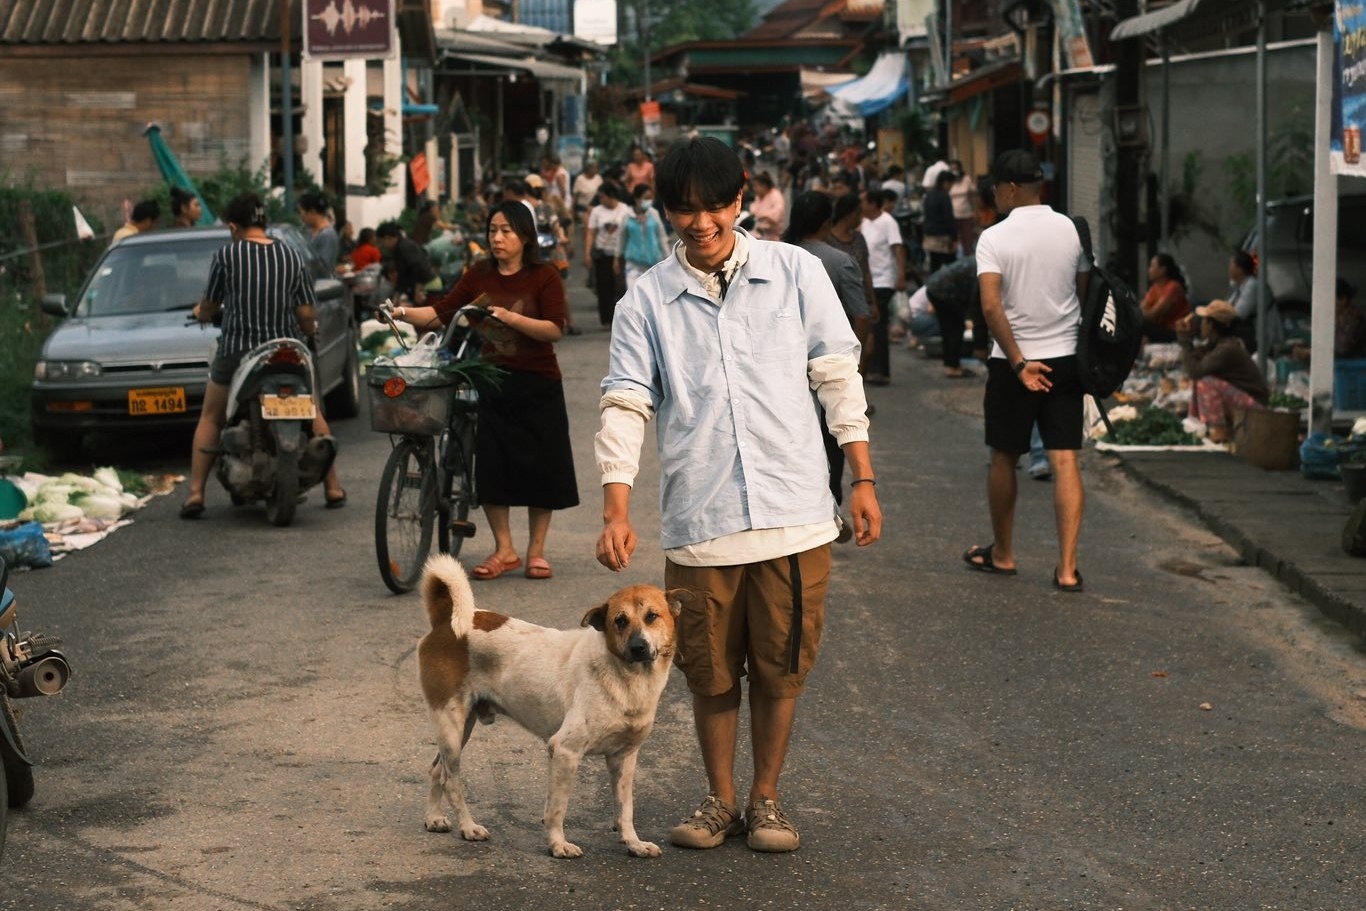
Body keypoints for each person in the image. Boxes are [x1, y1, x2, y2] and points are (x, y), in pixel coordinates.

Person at [595, 137, 882, 855]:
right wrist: (616, 505)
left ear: (741, 197)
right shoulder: (646, 301)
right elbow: (627, 400)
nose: (700, 222)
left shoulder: (795, 273)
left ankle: (766, 799)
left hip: (795, 514)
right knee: (708, 669)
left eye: (714, 205)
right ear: (665, 210)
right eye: (683, 209)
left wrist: (863, 474)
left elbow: (837, 372)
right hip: (703, 516)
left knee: (782, 669)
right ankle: (720, 798)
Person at [388, 200, 578, 581]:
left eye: (506, 231)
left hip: (538, 383)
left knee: (543, 469)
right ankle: (504, 549)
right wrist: (402, 312)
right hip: (493, 383)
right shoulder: (479, 276)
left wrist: (512, 318)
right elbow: (442, 313)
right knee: (493, 467)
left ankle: (535, 551)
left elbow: (554, 329)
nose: (498, 238)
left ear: (525, 236)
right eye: (493, 230)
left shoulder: (544, 277)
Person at [965, 149, 1090, 592]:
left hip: (1012, 362)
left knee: (1003, 456)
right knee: (1064, 459)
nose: (994, 195)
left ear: (1012, 188)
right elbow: (1081, 292)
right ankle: (1068, 568)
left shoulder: (994, 238)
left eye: (996, 187)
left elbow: (990, 305)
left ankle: (1002, 554)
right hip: (1065, 359)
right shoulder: (1072, 231)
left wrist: (1019, 362)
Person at [180, 192, 346, 518]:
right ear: (263, 223)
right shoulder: (291, 255)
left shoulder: (226, 256)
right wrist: (309, 331)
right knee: (311, 410)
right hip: (287, 347)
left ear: (233, 226)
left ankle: (196, 493)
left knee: (211, 416)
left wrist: (201, 312)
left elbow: (211, 305)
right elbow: (306, 313)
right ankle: (333, 486)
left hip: (239, 350)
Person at [783, 190, 874, 540]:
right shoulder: (837, 261)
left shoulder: (777, 257)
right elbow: (860, 317)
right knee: (834, 439)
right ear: (827, 223)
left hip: (786, 370)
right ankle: (827, 511)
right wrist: (858, 364)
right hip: (830, 366)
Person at [1177, 299, 1269, 443]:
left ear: (1211, 325)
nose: (1201, 325)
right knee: (1200, 381)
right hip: (1242, 401)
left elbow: (1196, 370)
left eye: (1204, 321)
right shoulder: (1218, 345)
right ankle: (1195, 425)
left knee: (1205, 382)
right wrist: (1187, 341)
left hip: (1256, 407)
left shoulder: (1228, 348)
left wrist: (1184, 341)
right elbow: (1195, 363)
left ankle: (1218, 432)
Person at [858, 188, 907, 386]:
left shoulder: (888, 222)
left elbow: (898, 248)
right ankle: (871, 368)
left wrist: (901, 274)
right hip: (868, 280)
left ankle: (881, 370)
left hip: (884, 279)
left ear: (873, 203)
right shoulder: (864, 222)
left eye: (864, 202)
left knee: (878, 325)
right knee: (870, 325)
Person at [827, 192, 878, 379]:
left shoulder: (858, 239)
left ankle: (860, 392)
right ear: (848, 214)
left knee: (867, 349)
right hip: (836, 306)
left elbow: (865, 271)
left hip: (858, 303)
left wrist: (872, 301)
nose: (860, 217)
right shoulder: (828, 239)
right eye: (858, 213)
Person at [925, 256, 982, 379]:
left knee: (949, 328)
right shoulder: (981, 267)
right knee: (955, 328)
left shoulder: (976, 261)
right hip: (942, 292)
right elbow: (975, 297)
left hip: (935, 288)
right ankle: (953, 367)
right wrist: (971, 319)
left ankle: (950, 363)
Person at [585, 186, 630, 328]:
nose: (600, 199)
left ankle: (623, 318)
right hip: (603, 253)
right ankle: (606, 320)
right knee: (604, 287)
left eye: (602, 196)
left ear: (611, 196)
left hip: (621, 253)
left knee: (621, 286)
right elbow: (591, 232)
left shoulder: (625, 210)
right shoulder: (597, 211)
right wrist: (587, 252)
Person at [1227, 249, 1283, 355]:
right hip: (1254, 331)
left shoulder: (1252, 286)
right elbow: (1228, 305)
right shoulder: (1240, 285)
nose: (1229, 268)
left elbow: (1238, 314)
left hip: (1263, 335)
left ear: (1240, 269)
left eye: (1231, 264)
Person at [375, 222, 439, 303]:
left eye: (380, 242)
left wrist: (417, 290)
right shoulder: (398, 249)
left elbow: (418, 268)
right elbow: (402, 276)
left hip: (429, 286)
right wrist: (397, 295)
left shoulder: (405, 247)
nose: (381, 246)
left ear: (388, 238)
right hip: (421, 286)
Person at [621, 183, 669, 289]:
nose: (650, 201)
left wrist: (667, 257)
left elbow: (661, 236)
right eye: (646, 198)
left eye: (651, 198)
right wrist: (617, 256)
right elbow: (622, 237)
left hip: (653, 261)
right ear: (637, 199)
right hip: (633, 263)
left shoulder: (654, 213)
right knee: (632, 292)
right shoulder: (627, 215)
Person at [1139, 253, 1190, 343]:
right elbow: (1142, 308)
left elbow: (1153, 314)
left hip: (1175, 332)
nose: (1149, 270)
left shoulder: (1173, 287)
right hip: (1160, 328)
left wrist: (1141, 313)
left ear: (1162, 270)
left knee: (1139, 323)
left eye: (1152, 266)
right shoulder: (1155, 287)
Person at [921, 169, 958, 273]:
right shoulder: (944, 196)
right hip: (943, 236)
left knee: (934, 265)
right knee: (952, 266)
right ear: (946, 182)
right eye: (951, 184)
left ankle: (933, 287)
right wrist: (954, 237)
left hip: (930, 235)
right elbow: (949, 218)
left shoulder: (929, 195)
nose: (951, 187)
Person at [298, 192, 339, 268]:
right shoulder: (309, 230)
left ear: (312, 211)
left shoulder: (327, 235)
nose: (301, 216)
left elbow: (322, 265)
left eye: (301, 212)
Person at [948, 161, 979, 255]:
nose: (954, 171)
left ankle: (968, 260)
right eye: (952, 169)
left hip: (967, 214)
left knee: (968, 240)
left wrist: (975, 211)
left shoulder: (966, 179)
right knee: (954, 241)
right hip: (953, 215)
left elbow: (973, 194)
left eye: (955, 169)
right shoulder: (949, 181)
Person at [748, 172, 786, 241]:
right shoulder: (759, 196)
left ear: (764, 186)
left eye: (756, 186)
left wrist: (762, 216)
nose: (754, 189)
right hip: (758, 233)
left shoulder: (776, 196)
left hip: (773, 237)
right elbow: (753, 210)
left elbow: (775, 216)